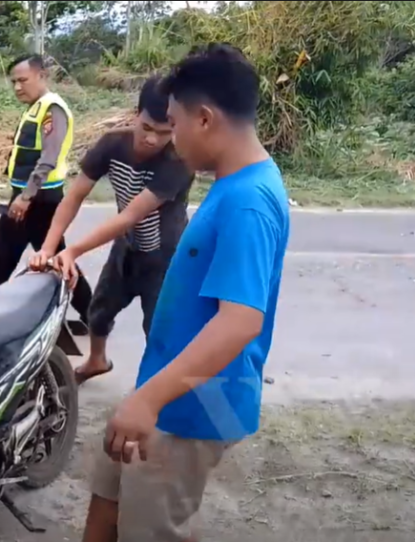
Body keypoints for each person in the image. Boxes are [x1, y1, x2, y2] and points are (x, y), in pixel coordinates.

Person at [80, 43, 290, 542]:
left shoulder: (247, 201)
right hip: (167, 392)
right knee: (107, 504)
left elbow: (240, 321)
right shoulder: (231, 183)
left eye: (172, 124)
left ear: (203, 118)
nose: (169, 140)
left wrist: (148, 400)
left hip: (190, 406)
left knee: (153, 527)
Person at [29, 75, 195, 385]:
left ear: (174, 126)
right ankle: (97, 360)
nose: (151, 139)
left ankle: (153, 389)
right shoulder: (112, 143)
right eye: (146, 127)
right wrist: (49, 248)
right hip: (127, 247)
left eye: (163, 132)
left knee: (158, 328)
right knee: (99, 309)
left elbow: (130, 215)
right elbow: (75, 195)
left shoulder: (179, 161)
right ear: (136, 115)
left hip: (165, 256)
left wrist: (74, 250)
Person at [0, 54, 92, 328]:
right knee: (16, 256)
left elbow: (49, 157)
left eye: (23, 80)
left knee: (46, 259)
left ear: (42, 75)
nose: (18, 87)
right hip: (28, 196)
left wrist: (25, 197)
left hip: (39, 199)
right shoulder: (36, 107)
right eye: (14, 82)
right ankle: (94, 315)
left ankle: (94, 315)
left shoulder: (52, 109)